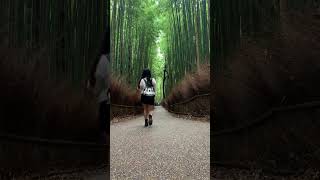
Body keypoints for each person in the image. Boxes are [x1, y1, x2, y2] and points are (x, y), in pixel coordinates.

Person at [87, 26, 110, 143]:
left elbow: (99, 81)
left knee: (104, 134)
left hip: (104, 102)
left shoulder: (104, 59)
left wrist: (93, 94)